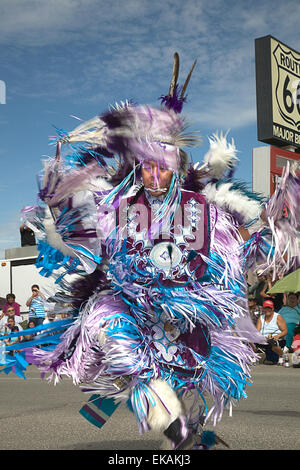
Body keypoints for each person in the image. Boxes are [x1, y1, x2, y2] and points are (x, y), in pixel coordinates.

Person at [1, 52, 300, 450]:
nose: (154, 174)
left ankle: (186, 436)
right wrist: (59, 210)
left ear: (177, 167)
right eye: (147, 166)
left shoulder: (205, 209)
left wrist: (279, 232)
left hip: (185, 314)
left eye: (162, 166)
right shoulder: (118, 208)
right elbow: (87, 244)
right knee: (116, 341)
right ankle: (180, 433)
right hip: (129, 307)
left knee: (182, 380)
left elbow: (238, 259)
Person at [256, 300, 288, 365]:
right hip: (264, 339)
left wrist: (278, 336)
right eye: (265, 308)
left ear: (273, 308)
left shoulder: (278, 317)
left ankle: (282, 355)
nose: (267, 310)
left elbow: (285, 331)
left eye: (269, 308)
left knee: (272, 342)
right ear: (263, 309)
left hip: (276, 338)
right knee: (250, 340)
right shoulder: (261, 318)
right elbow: (257, 331)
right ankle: (253, 358)